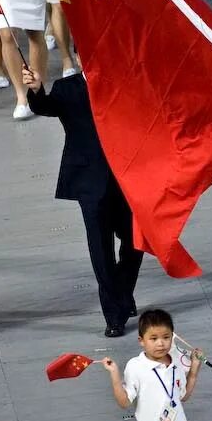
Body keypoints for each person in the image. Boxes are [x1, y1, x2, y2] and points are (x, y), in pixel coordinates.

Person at [21, 65, 143, 338]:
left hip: (127, 179)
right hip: (89, 181)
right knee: (101, 249)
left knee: (135, 241)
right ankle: (113, 315)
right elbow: (45, 106)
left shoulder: (125, 83)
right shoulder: (68, 88)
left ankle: (122, 292)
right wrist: (36, 89)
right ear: (78, 54)